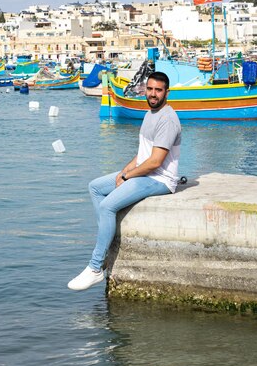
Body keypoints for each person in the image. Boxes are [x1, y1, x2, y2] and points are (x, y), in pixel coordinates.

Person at [68, 71, 181, 291]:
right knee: (96, 187)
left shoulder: (167, 119)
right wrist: (123, 171)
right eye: (150, 89)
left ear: (167, 92)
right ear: (145, 90)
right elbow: (143, 154)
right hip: (145, 172)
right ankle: (107, 240)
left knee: (108, 205)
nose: (153, 94)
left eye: (158, 90)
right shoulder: (150, 114)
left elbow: (156, 161)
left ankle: (95, 267)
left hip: (160, 180)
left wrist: (129, 176)